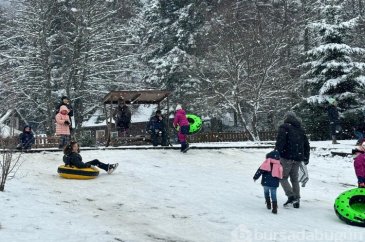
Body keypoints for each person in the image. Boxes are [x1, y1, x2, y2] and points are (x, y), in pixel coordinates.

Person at [275, 111, 310, 208]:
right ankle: (297, 199)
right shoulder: (300, 129)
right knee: (294, 179)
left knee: (282, 177)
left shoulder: (284, 127)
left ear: (286, 117)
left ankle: (291, 196)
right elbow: (306, 145)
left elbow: (280, 142)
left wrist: (276, 154)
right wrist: (306, 157)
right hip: (298, 158)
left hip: (286, 157)